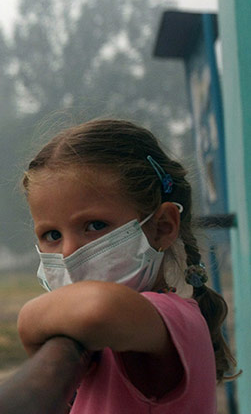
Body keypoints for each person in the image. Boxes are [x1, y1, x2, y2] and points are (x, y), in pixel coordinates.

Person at [16, 119, 237, 413]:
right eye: (52, 235)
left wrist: (28, 321)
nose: (68, 252)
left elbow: (98, 310)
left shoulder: (171, 316)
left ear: (161, 227)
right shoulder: (118, 334)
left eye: (95, 225)